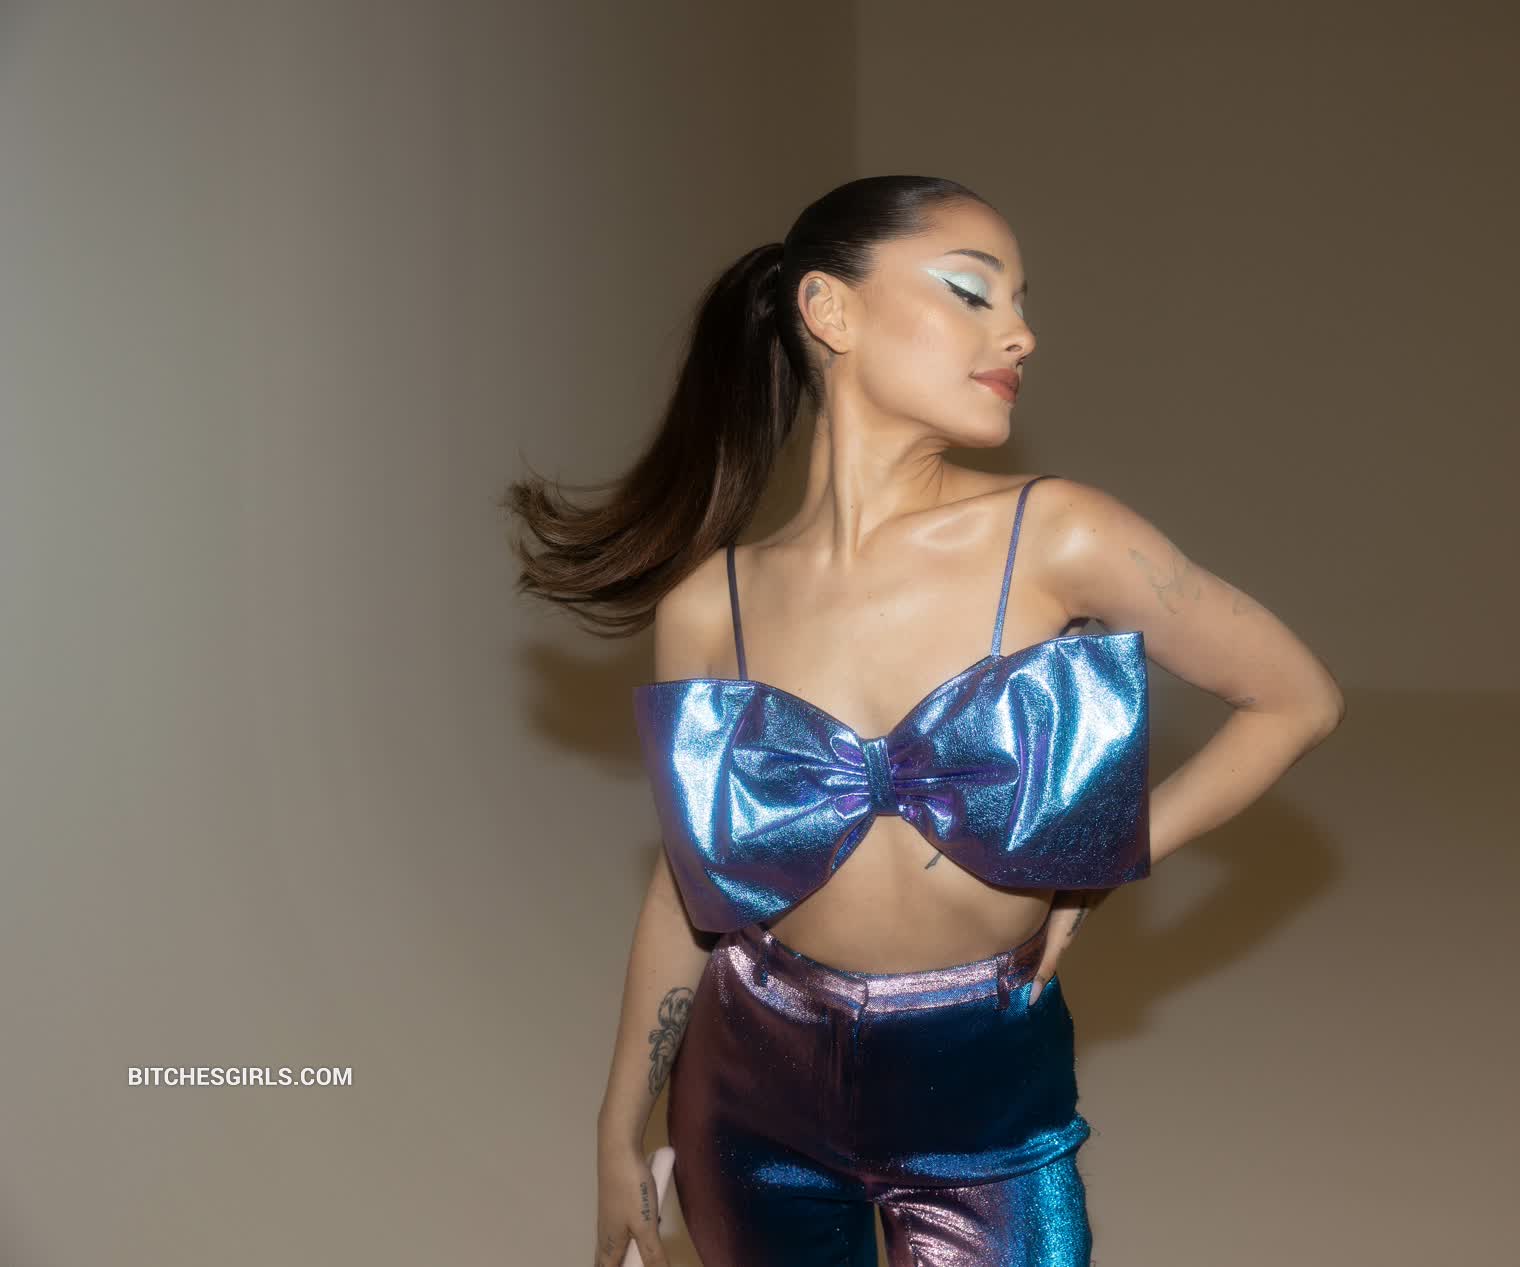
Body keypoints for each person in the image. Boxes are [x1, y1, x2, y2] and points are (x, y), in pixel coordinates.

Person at [505, 175, 1345, 1267]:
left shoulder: (1059, 535)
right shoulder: (709, 607)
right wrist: (617, 1123)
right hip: (748, 1096)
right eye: (972, 291)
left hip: (986, 1093)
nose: (1022, 333)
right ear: (829, 310)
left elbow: (1294, 698)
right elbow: (689, 886)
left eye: (1022, 302)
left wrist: (1101, 859)